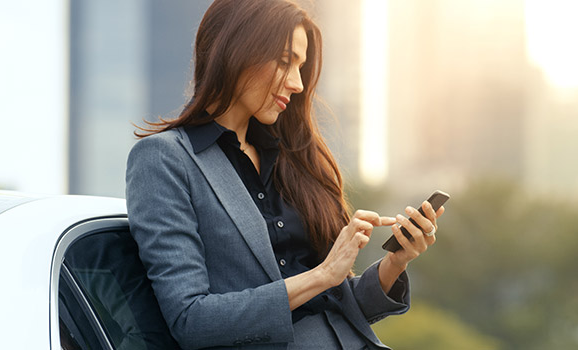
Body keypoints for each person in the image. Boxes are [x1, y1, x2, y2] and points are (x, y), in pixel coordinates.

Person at [125, 0, 444, 349]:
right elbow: (191, 319)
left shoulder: (291, 158)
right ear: (235, 51)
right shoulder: (165, 159)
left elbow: (335, 304)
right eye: (284, 62)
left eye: (301, 67)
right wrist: (322, 275)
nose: (297, 84)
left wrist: (396, 261)